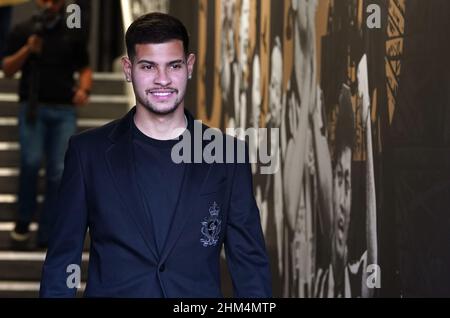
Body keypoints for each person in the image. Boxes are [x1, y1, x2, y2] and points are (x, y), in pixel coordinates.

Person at [40, 12, 271, 298]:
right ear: (128, 69)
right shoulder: (87, 153)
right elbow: (62, 261)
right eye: (148, 66)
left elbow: (249, 265)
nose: (162, 80)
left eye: (173, 65)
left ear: (189, 66)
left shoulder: (228, 156)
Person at [2, 0, 92, 248]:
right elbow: (7, 69)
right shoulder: (24, 29)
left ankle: (48, 231)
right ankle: (23, 221)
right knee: (30, 162)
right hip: (32, 108)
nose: (50, 4)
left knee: (60, 172)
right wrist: (28, 50)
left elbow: (85, 68)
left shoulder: (71, 32)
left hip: (64, 110)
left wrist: (84, 89)